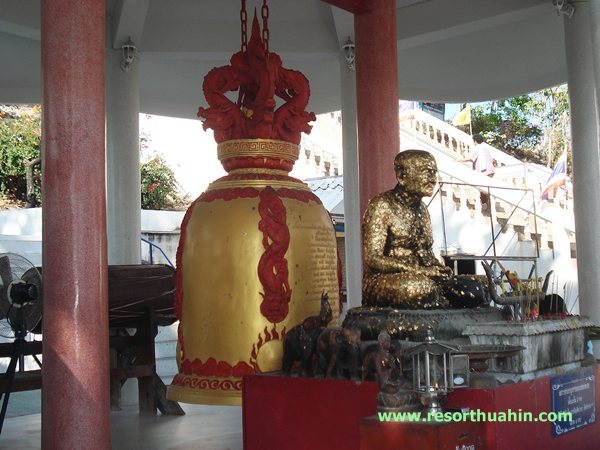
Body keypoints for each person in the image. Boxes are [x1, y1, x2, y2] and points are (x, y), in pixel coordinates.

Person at [362, 150, 452, 308]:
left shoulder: (422, 209)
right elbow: (373, 258)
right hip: (387, 279)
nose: (432, 179)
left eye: (434, 173)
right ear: (402, 176)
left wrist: (439, 269)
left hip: (422, 276)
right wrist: (418, 271)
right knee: (420, 288)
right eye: (426, 172)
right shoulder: (382, 204)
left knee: (475, 287)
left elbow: (426, 253)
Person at [461, 134, 495, 209]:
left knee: (483, 189)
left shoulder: (476, 148)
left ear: (475, 141)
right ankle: (488, 206)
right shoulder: (485, 148)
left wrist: (458, 160)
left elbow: (470, 158)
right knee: (485, 189)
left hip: (484, 171)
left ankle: (488, 206)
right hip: (490, 170)